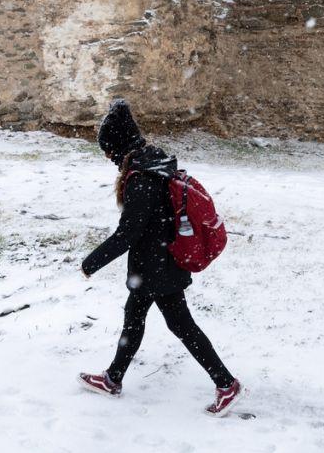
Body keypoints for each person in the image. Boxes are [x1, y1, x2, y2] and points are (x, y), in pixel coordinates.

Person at [77, 100, 243, 416]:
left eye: (109, 151)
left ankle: (226, 384)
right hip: (160, 263)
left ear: (119, 146)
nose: (108, 158)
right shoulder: (154, 164)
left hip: (156, 268)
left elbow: (127, 234)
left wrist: (91, 263)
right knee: (138, 319)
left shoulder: (141, 178)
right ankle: (114, 378)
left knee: (179, 325)